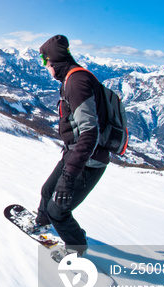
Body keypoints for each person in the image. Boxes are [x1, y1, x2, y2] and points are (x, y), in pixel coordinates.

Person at [35, 35, 109, 257]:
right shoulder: (70, 79)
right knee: (48, 192)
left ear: (53, 60)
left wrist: (68, 178)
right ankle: (42, 223)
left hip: (88, 160)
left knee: (58, 209)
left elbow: (89, 132)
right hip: (73, 153)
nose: (44, 66)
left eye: (44, 61)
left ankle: (77, 248)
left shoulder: (77, 82)